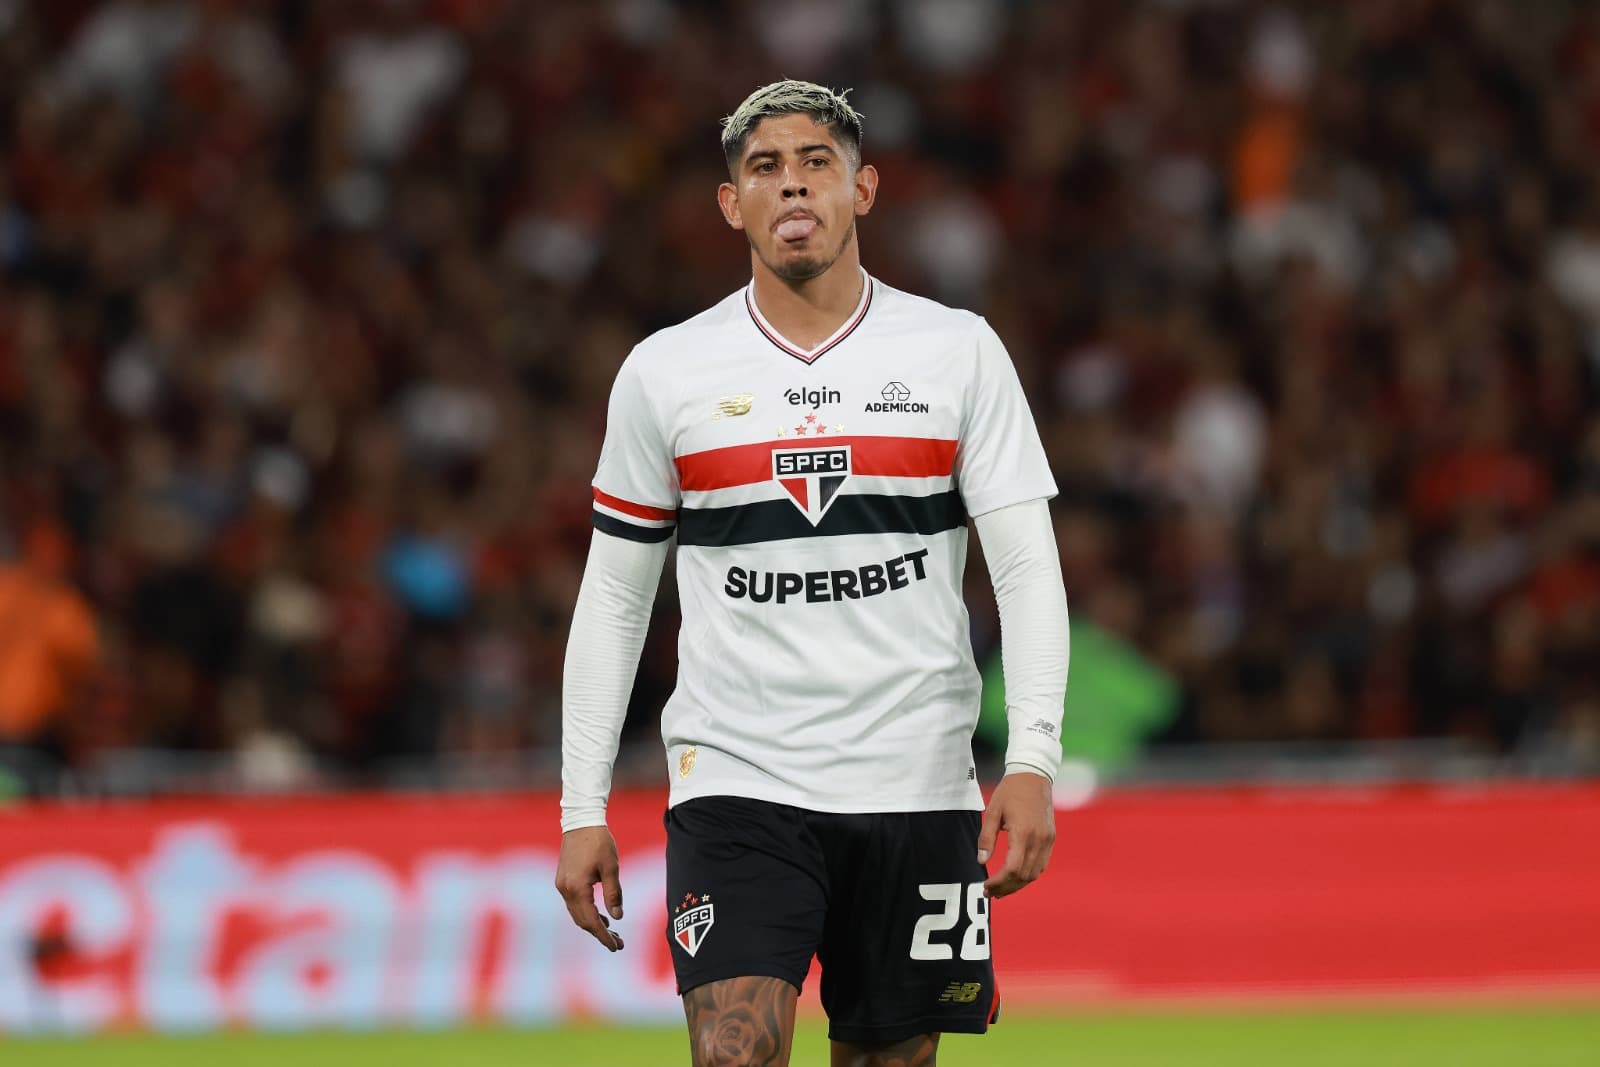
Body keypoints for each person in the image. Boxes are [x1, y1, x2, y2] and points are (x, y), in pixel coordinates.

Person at [555, 80, 1070, 1067]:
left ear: (863, 190)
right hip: (738, 779)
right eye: (764, 168)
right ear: (730, 203)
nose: (792, 186)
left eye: (816, 163)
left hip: (915, 783)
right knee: (734, 1052)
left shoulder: (955, 353)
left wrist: (1035, 755)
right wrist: (582, 807)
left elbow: (1026, 570)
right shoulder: (667, 374)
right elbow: (616, 601)